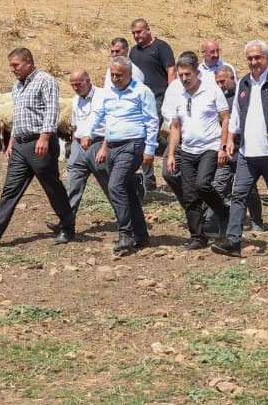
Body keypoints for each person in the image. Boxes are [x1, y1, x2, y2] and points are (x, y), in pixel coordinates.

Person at [0, 48, 76, 247]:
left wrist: (44, 137)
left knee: (51, 186)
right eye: (11, 65)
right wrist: (11, 142)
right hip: (20, 144)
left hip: (39, 142)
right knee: (11, 187)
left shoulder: (45, 80)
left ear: (29, 62)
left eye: (15, 65)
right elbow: (19, 117)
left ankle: (67, 225)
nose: (12, 69)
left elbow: (52, 110)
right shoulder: (17, 87)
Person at [212, 40, 268, 258]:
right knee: (238, 196)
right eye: (250, 58)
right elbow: (236, 115)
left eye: (258, 57)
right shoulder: (243, 83)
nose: (254, 62)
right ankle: (233, 241)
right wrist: (229, 138)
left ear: (267, 58)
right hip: (247, 153)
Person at [86, 57, 160, 256]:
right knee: (126, 190)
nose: (115, 78)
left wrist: (150, 149)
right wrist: (86, 131)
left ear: (129, 74)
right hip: (113, 145)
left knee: (115, 186)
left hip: (133, 143)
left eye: (119, 75)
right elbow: (98, 114)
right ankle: (141, 235)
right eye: (112, 74)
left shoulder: (142, 92)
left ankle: (125, 234)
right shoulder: (108, 93)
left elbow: (152, 121)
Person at [163, 53, 231, 249]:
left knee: (202, 185)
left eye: (188, 75)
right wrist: (171, 154)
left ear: (197, 73)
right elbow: (175, 127)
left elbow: (225, 118)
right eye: (181, 75)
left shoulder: (212, 91)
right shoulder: (178, 95)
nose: (184, 79)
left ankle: (223, 212)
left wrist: (223, 146)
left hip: (209, 146)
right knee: (190, 195)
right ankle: (198, 236)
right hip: (187, 149)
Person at [211, 65, 264, 233]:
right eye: (217, 82)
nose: (220, 86)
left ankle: (257, 219)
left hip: (243, 146)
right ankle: (216, 219)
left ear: (232, 78)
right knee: (218, 184)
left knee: (248, 189)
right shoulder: (217, 98)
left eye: (223, 81)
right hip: (225, 147)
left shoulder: (244, 94)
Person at [61, 68, 112, 230]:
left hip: (98, 143)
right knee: (72, 183)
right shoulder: (76, 99)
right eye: (73, 85)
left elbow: (111, 123)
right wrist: (74, 143)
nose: (76, 87)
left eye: (79, 84)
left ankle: (128, 219)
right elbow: (75, 124)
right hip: (79, 145)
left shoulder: (104, 96)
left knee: (110, 184)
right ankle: (66, 222)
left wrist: (105, 146)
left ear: (88, 81)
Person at [129, 19, 175, 193]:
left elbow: (171, 70)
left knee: (150, 135)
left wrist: (171, 94)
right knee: (144, 137)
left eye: (139, 32)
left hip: (158, 96)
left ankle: (173, 153)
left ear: (148, 29)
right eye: (134, 33)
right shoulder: (133, 52)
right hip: (140, 99)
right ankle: (149, 179)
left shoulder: (161, 47)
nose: (136, 36)